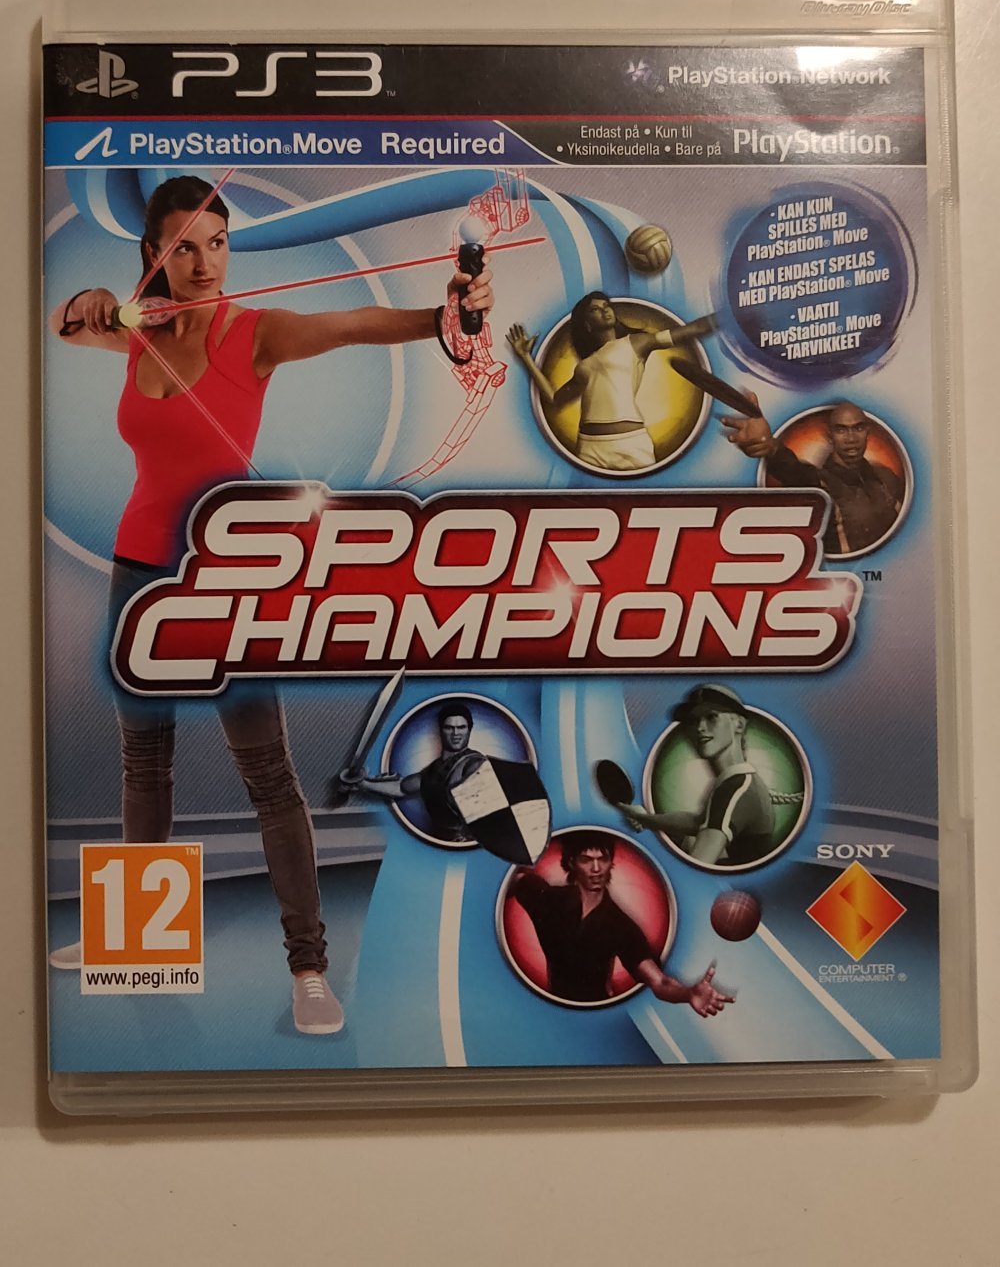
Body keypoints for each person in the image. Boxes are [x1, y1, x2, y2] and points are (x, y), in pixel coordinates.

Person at [47, 175, 494, 1035]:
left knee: (268, 776)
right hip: (139, 570)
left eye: (217, 244)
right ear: (153, 253)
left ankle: (309, 969)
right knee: (144, 759)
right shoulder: (143, 331)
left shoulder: (255, 333)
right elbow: (65, 326)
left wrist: (447, 317)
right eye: (184, 247)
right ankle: (133, 939)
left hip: (225, 576)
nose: (205, 263)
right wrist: (88, 303)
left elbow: (356, 324)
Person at [510, 830, 732, 1011]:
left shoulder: (619, 925)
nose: (596, 869)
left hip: (596, 1014)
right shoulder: (547, 899)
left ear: (610, 862)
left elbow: (659, 981)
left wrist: (688, 994)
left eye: (603, 859)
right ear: (572, 862)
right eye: (586, 860)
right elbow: (514, 878)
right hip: (551, 1010)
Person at [506, 292, 714, 472]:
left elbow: (693, 329)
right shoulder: (584, 366)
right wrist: (525, 357)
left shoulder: (636, 342)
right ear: (587, 324)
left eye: (606, 305)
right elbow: (554, 398)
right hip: (589, 448)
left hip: (631, 444)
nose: (604, 310)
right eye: (595, 309)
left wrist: (728, 314)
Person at [722, 395, 904, 555]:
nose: (851, 438)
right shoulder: (819, 483)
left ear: (867, 432)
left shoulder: (885, 477)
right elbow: (794, 471)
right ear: (830, 436)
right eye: (841, 430)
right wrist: (771, 447)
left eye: (858, 428)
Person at [624, 685, 777, 868]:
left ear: (739, 724)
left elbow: (697, 867)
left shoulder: (735, 790)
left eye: (711, 717)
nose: (700, 728)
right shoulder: (739, 782)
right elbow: (698, 822)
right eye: (693, 720)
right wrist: (646, 819)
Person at [341, 700, 482, 844]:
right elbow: (401, 788)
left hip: (467, 844)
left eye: (461, 727)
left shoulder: (475, 763)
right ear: (440, 730)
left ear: (469, 730)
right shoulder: (433, 770)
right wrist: (362, 784)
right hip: (437, 842)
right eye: (449, 728)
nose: (456, 733)